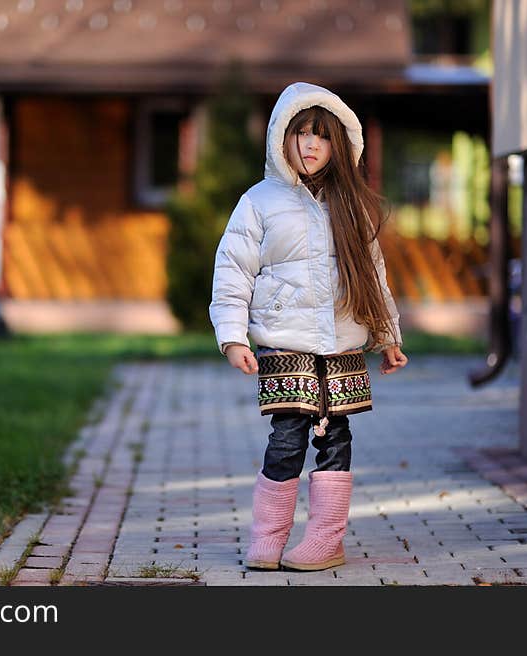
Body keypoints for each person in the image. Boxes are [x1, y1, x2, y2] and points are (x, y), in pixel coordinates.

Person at [209, 82, 409, 572]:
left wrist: (387, 338)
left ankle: (325, 539)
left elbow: (373, 277)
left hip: (342, 344)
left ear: (339, 144)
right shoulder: (259, 202)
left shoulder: (351, 206)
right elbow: (233, 269)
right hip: (286, 342)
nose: (311, 145)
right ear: (283, 138)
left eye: (322, 136)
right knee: (286, 438)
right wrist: (233, 336)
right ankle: (268, 538)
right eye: (301, 134)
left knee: (335, 439)